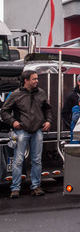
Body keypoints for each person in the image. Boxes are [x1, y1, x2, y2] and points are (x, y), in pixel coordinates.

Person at [1, 70, 52, 198]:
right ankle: (15, 188)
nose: (37, 81)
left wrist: (48, 121)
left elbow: (48, 109)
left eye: (37, 79)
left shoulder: (41, 93)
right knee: (18, 160)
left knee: (37, 160)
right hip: (22, 130)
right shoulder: (15, 94)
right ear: (26, 80)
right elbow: (4, 111)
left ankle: (36, 187)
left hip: (38, 131)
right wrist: (13, 122)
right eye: (34, 79)